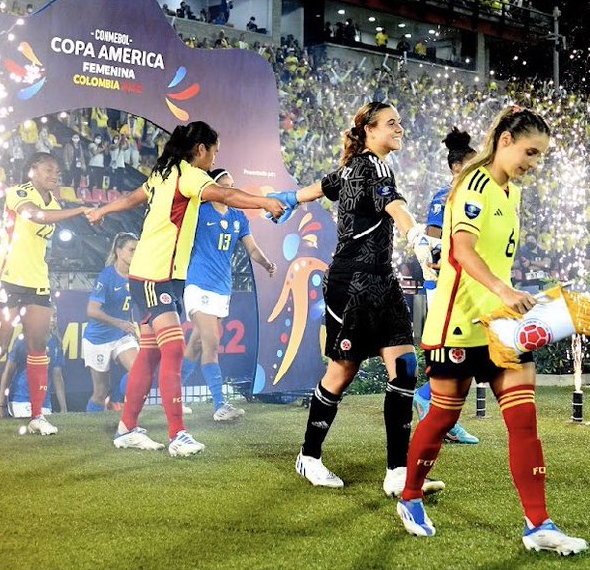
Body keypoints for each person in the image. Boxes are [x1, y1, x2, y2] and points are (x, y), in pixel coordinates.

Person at [394, 106, 589, 556]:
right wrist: (504, 291)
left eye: (541, 156)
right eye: (530, 152)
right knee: (442, 417)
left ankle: (538, 524)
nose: (534, 163)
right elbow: (460, 251)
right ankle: (410, 496)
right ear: (504, 141)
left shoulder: (512, 192)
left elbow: (496, 257)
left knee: (524, 421)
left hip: (502, 327)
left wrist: (521, 300)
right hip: (459, 323)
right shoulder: (473, 184)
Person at [267, 100, 445, 497]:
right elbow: (395, 205)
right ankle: (309, 457)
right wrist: (418, 238)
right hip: (354, 284)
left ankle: (397, 474)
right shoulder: (374, 167)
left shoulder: (352, 166)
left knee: (404, 367)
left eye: (400, 122)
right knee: (342, 372)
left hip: (380, 281)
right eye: (391, 123)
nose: (399, 129)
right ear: (369, 130)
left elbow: (321, 187)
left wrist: (290, 199)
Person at [87, 121, 285, 457]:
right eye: (214, 152)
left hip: (153, 275)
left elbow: (135, 197)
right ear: (201, 150)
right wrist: (264, 203)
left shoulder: (164, 173)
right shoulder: (191, 174)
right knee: (174, 350)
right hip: (155, 275)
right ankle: (178, 435)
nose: (214, 159)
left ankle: (126, 428)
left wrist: (103, 208)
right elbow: (225, 194)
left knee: (150, 354)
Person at [0, 152, 90, 435]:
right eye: (48, 169)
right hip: (8, 279)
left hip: (38, 282)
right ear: (32, 171)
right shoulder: (17, 193)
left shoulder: (54, 202)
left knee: (38, 346)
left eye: (57, 171)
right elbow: (35, 215)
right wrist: (79, 210)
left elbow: (47, 219)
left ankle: (36, 415)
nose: (55, 174)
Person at [180, 168, 278, 421]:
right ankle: (220, 406)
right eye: (226, 185)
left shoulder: (238, 216)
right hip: (198, 284)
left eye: (233, 185)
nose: (231, 190)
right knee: (212, 342)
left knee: (198, 343)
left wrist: (266, 264)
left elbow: (252, 249)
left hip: (222, 288)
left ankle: (173, 395)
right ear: (214, 187)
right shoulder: (199, 213)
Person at [412, 127, 480, 445]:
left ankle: (440, 411)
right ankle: (430, 401)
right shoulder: (445, 196)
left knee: (462, 353)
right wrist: (438, 263)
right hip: (442, 283)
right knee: (455, 351)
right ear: (456, 167)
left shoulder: (473, 196)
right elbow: (431, 241)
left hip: (462, 281)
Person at [82, 233, 142, 413]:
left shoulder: (137, 276)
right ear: (119, 251)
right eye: (132, 250)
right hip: (98, 338)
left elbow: (128, 306)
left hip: (121, 336)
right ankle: (92, 426)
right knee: (100, 392)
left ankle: (119, 401)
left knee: (140, 371)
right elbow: (92, 311)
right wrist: (119, 323)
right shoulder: (106, 276)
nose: (136, 254)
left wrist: (132, 328)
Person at [0, 329, 68, 420]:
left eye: (54, 316)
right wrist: (1, 406)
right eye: (48, 317)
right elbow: (8, 373)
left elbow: (57, 376)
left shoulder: (56, 342)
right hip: (21, 399)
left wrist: (64, 408)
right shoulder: (23, 340)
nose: (52, 320)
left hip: (45, 402)